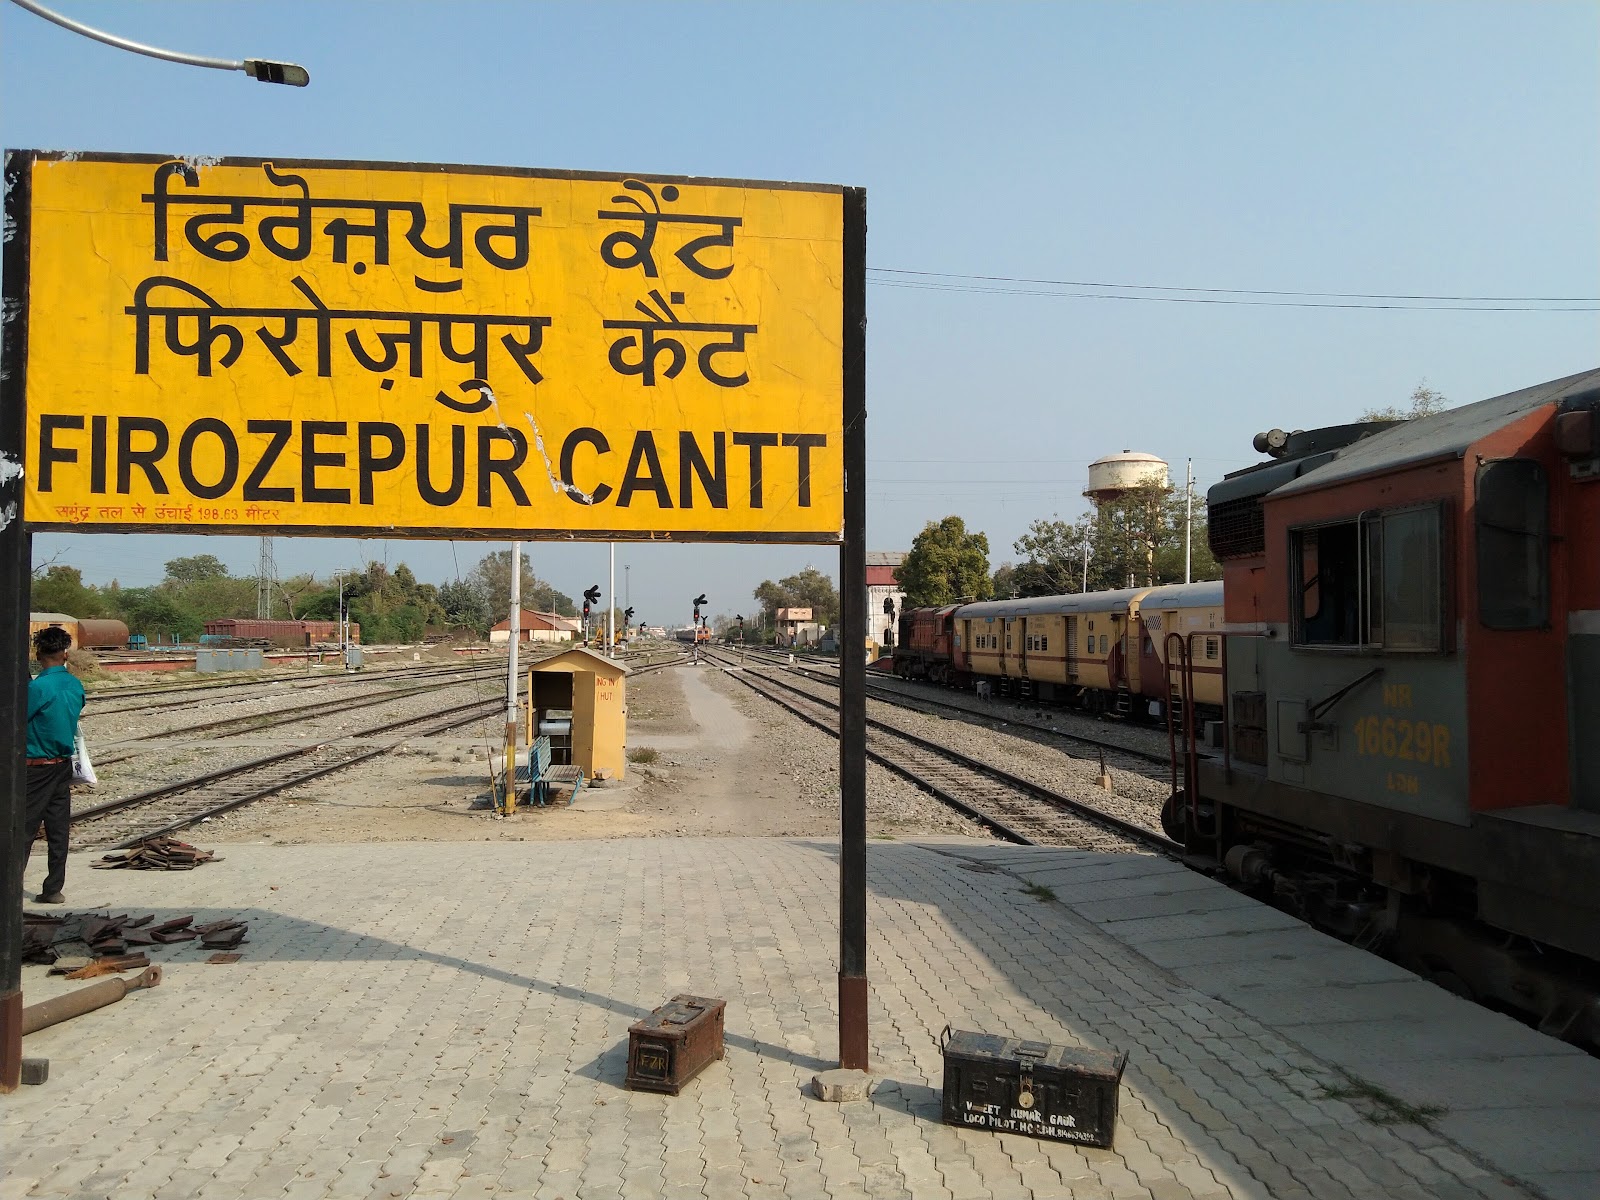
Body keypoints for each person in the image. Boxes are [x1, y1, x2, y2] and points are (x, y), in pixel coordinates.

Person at [23, 627, 85, 904]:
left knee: (22, 829)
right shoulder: (74, 685)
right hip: (63, 765)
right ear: (65, 653)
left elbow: (17, 717)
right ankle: (53, 889)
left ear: (38, 655)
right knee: (58, 830)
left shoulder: (36, 688)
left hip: (36, 768)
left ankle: (10, 888)